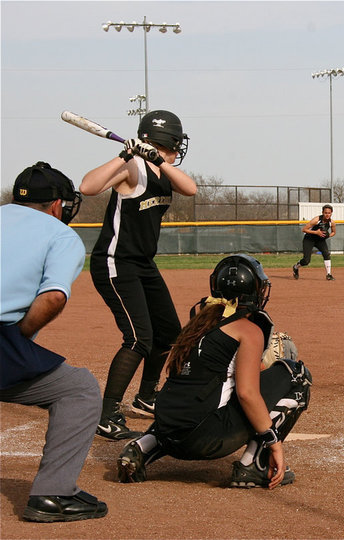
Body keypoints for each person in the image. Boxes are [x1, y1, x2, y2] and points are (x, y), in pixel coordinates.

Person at [115, 254, 312, 489]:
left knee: (190, 395)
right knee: (296, 374)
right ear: (253, 291)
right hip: (205, 440)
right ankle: (254, 465)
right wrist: (274, 443)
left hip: (167, 431)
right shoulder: (248, 330)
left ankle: (144, 446)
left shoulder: (198, 321)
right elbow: (247, 393)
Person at [79, 110, 197, 440]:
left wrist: (158, 160)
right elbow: (88, 186)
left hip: (143, 264)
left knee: (169, 333)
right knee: (138, 338)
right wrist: (126, 154)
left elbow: (191, 189)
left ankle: (146, 397)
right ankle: (107, 413)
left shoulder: (163, 171)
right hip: (116, 263)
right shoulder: (131, 167)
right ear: (170, 141)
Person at [0, 162, 108, 522]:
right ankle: (53, 494)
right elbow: (53, 298)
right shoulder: (61, 235)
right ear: (59, 205)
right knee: (78, 389)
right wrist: (21, 338)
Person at [292, 204, 336, 281]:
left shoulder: (331, 222)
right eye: (325, 212)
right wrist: (316, 232)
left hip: (320, 240)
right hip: (309, 239)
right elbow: (304, 229)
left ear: (331, 213)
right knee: (306, 261)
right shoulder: (316, 220)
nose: (327, 214)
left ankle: (329, 274)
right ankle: (296, 267)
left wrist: (328, 236)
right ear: (322, 212)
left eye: (329, 213)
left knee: (326, 254)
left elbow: (333, 232)